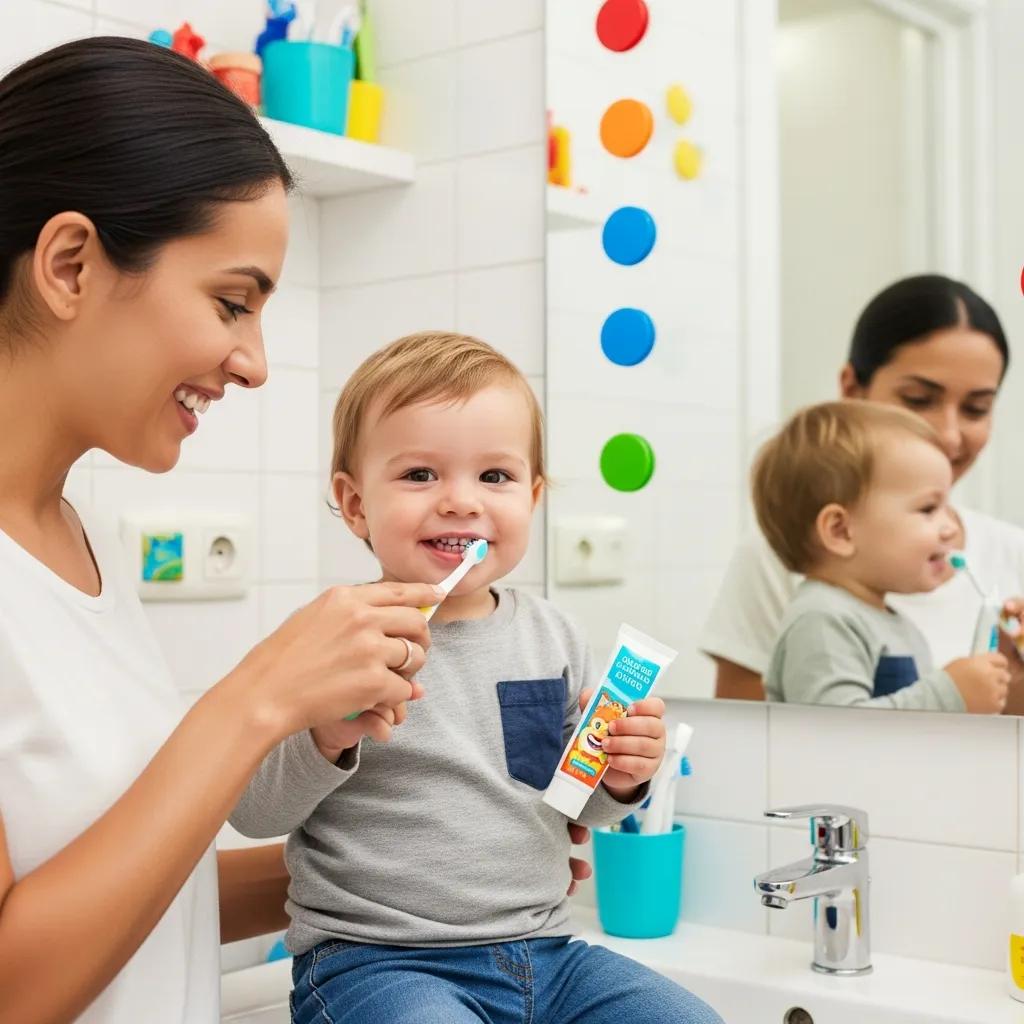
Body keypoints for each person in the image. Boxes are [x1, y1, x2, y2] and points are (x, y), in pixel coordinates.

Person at [0, 39, 596, 1024]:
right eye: (232, 302)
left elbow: (137, 893)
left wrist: (439, 869)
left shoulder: (86, 543)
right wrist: (256, 700)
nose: (255, 363)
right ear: (70, 265)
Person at [229, 332, 724, 1024]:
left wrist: (621, 781)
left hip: (548, 956)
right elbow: (255, 812)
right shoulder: (331, 637)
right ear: (354, 503)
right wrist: (325, 735)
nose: (461, 501)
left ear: (534, 494)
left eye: (495, 477)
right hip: (376, 964)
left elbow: (578, 809)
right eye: (420, 474)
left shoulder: (552, 636)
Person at [702, 274, 1024, 711]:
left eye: (976, 408)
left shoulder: (1008, 554)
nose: (948, 437)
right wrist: (950, 693)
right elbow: (767, 741)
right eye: (918, 398)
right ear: (853, 388)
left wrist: (1012, 680)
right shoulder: (790, 570)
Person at [751, 401, 1010, 710]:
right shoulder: (821, 621)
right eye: (929, 508)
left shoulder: (890, 622)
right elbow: (835, 736)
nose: (951, 528)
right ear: (840, 531)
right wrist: (949, 694)